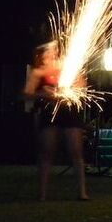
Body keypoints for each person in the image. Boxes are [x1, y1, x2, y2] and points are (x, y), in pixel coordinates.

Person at [24, 42, 89, 201]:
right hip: (49, 113)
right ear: (42, 55)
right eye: (48, 51)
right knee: (46, 152)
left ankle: (82, 192)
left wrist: (68, 92)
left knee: (76, 151)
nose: (52, 53)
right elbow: (27, 93)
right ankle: (43, 194)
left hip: (69, 112)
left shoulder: (69, 67)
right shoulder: (38, 72)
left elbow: (82, 87)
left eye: (54, 50)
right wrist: (44, 94)